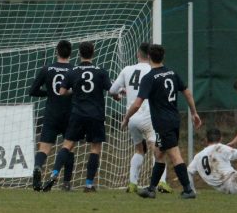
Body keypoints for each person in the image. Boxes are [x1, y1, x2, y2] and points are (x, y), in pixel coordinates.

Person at [121, 44, 202, 199]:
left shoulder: (149, 77)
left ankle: (188, 190)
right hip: (173, 119)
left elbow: (137, 104)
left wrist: (126, 118)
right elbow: (188, 93)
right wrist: (194, 113)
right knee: (159, 153)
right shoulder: (172, 73)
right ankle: (151, 189)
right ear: (163, 57)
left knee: (175, 155)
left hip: (163, 123)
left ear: (149, 57)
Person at [42, 41, 112, 192]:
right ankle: (88, 185)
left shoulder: (73, 71)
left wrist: (73, 91)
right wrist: (119, 94)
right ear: (93, 53)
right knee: (95, 148)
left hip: (77, 114)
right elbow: (111, 90)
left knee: (67, 145)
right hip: (95, 115)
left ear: (79, 54)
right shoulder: (101, 71)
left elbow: (61, 92)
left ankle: (54, 174)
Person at [109, 42, 172, 194]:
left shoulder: (127, 69)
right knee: (158, 150)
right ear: (150, 55)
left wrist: (119, 94)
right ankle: (162, 182)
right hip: (149, 116)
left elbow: (112, 91)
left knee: (139, 150)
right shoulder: (154, 70)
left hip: (132, 117)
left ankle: (132, 184)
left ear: (138, 54)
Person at [28, 40, 75, 191]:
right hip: (69, 114)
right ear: (70, 53)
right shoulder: (74, 70)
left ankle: (37, 167)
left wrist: (48, 93)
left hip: (51, 114)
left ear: (57, 52)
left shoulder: (46, 69)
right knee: (68, 148)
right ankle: (66, 183)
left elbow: (33, 91)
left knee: (44, 148)